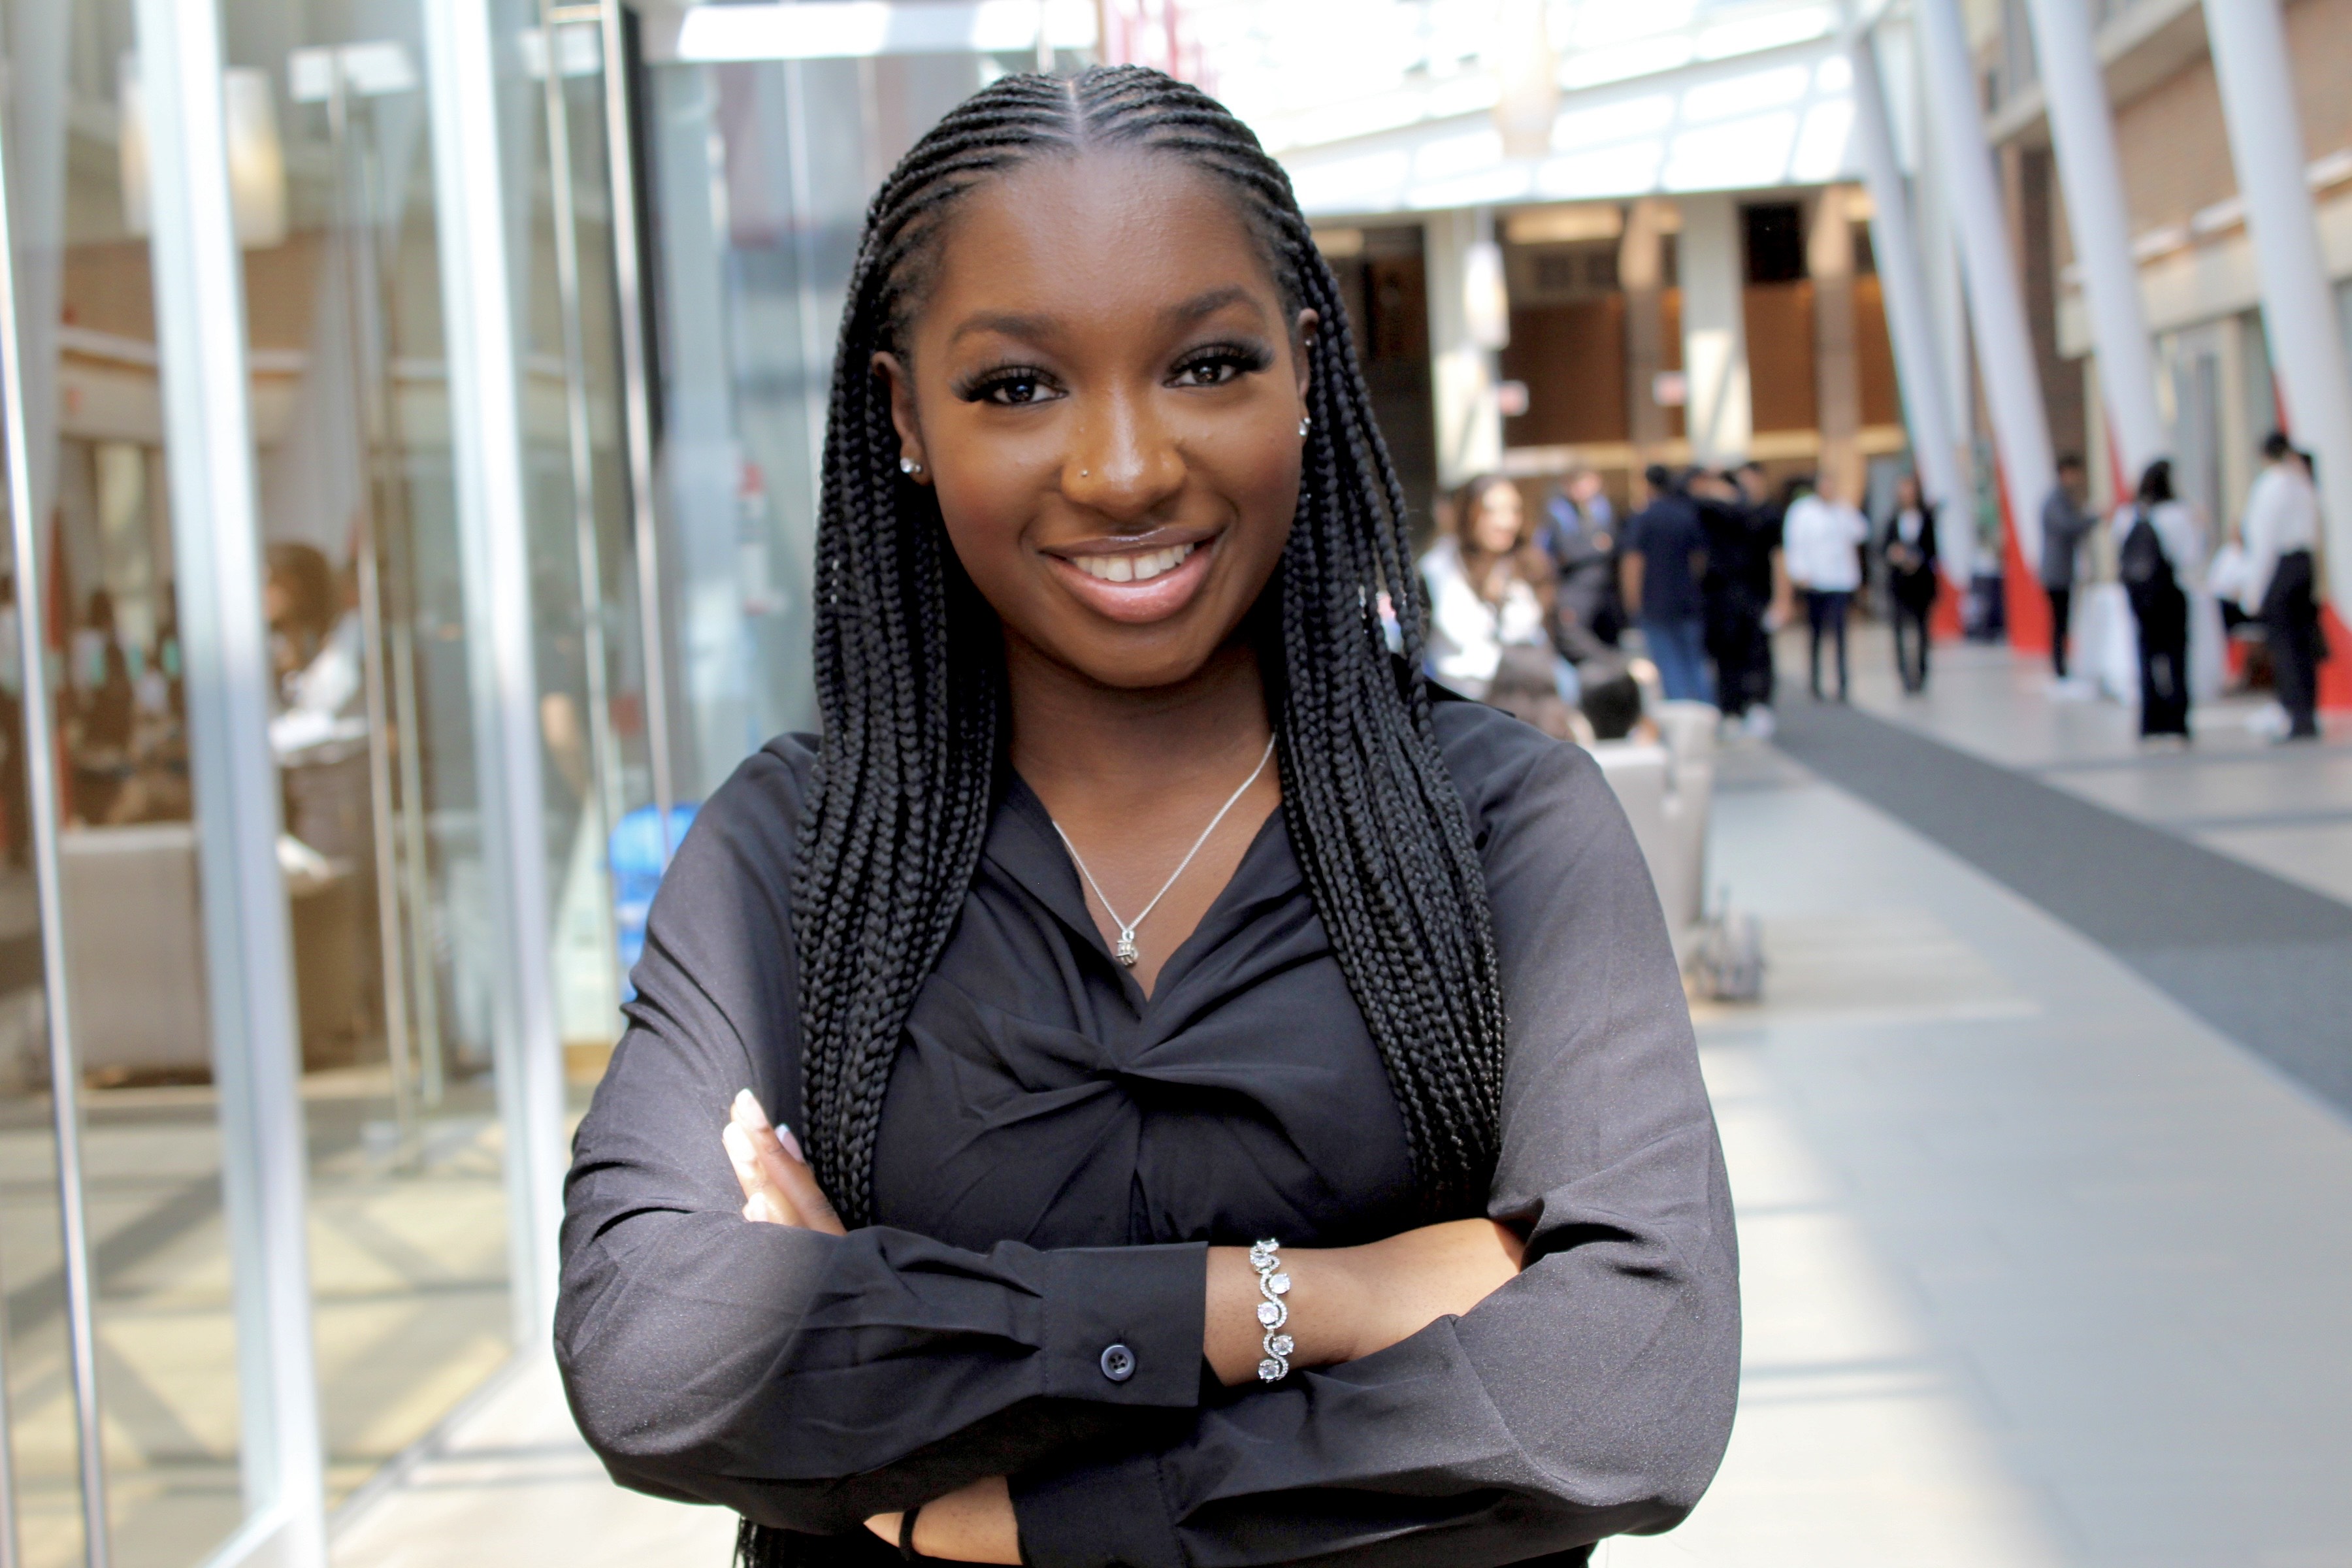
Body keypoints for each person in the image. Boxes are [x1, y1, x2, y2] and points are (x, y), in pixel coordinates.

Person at [556, 65, 1737, 1568]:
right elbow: (654, 1349)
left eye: (1207, 364)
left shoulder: (1503, 827)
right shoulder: (792, 855)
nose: (1124, 469)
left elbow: (1634, 1384)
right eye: (1015, 386)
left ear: (1305, 371)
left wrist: (986, 1457)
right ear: (902, 414)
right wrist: (1317, 1296)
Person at [1420, 474, 1572, 704]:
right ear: (1469, 513)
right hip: (1460, 704)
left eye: (1514, 511)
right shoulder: (1436, 570)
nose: (1506, 522)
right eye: (1491, 511)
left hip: (1527, 706)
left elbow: (1559, 636)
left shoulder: (1532, 567)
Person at [2242, 431, 2322, 741]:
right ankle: (2306, 714)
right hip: (2305, 565)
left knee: (2286, 645)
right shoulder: (2302, 483)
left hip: (2282, 566)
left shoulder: (2271, 486)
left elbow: (2263, 540)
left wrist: (2254, 591)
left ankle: (2292, 714)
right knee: (2303, 644)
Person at [2117, 459, 2199, 740]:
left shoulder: (2129, 514)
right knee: (2176, 656)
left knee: (2146, 655)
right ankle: (2177, 720)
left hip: (2141, 597)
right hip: (2171, 593)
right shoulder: (2178, 514)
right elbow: (2191, 556)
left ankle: (2150, 720)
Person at [1620, 465, 1712, 703]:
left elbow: (1633, 563)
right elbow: (1698, 560)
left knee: (1668, 663)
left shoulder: (1644, 518)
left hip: (1655, 601)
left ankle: (1682, 718)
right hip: (1687, 599)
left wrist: (1632, 601)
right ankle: (1705, 714)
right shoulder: (1685, 514)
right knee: (1694, 662)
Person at [1782, 474, 1867, 701]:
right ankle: (1815, 681)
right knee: (1816, 633)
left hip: (1839, 580)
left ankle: (1842, 682)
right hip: (1815, 580)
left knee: (1840, 633)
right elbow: (1795, 544)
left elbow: (1860, 532)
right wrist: (1799, 573)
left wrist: (1845, 507)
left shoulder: (1842, 510)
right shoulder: (1803, 512)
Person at [1541, 466, 1622, 659]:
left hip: (1605, 592)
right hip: (1575, 591)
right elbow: (1564, 552)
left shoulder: (1603, 510)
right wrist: (1596, 547)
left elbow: (1614, 546)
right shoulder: (1559, 512)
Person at [1880, 473, 1940, 695]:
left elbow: (1934, 549)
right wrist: (1895, 556)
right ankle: (1904, 675)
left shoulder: (1926, 519)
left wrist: (1919, 559)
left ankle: (1921, 673)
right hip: (1899, 584)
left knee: (1922, 631)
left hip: (1921, 583)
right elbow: (1884, 548)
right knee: (1900, 632)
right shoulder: (1893, 520)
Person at [2041, 455, 2095, 681]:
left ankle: (2061, 663)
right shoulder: (2056, 500)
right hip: (2057, 571)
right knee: (2059, 620)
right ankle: (2059, 665)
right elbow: (2069, 526)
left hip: (2062, 569)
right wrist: (2093, 519)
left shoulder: (2062, 499)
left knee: (2062, 619)